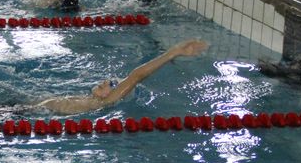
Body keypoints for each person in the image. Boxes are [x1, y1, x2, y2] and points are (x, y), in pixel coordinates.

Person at [37, 39, 209, 114]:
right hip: (32, 109)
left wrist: (173, 52)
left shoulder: (106, 102)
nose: (105, 81)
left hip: (30, 114)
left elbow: (136, 76)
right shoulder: (88, 99)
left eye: (112, 84)